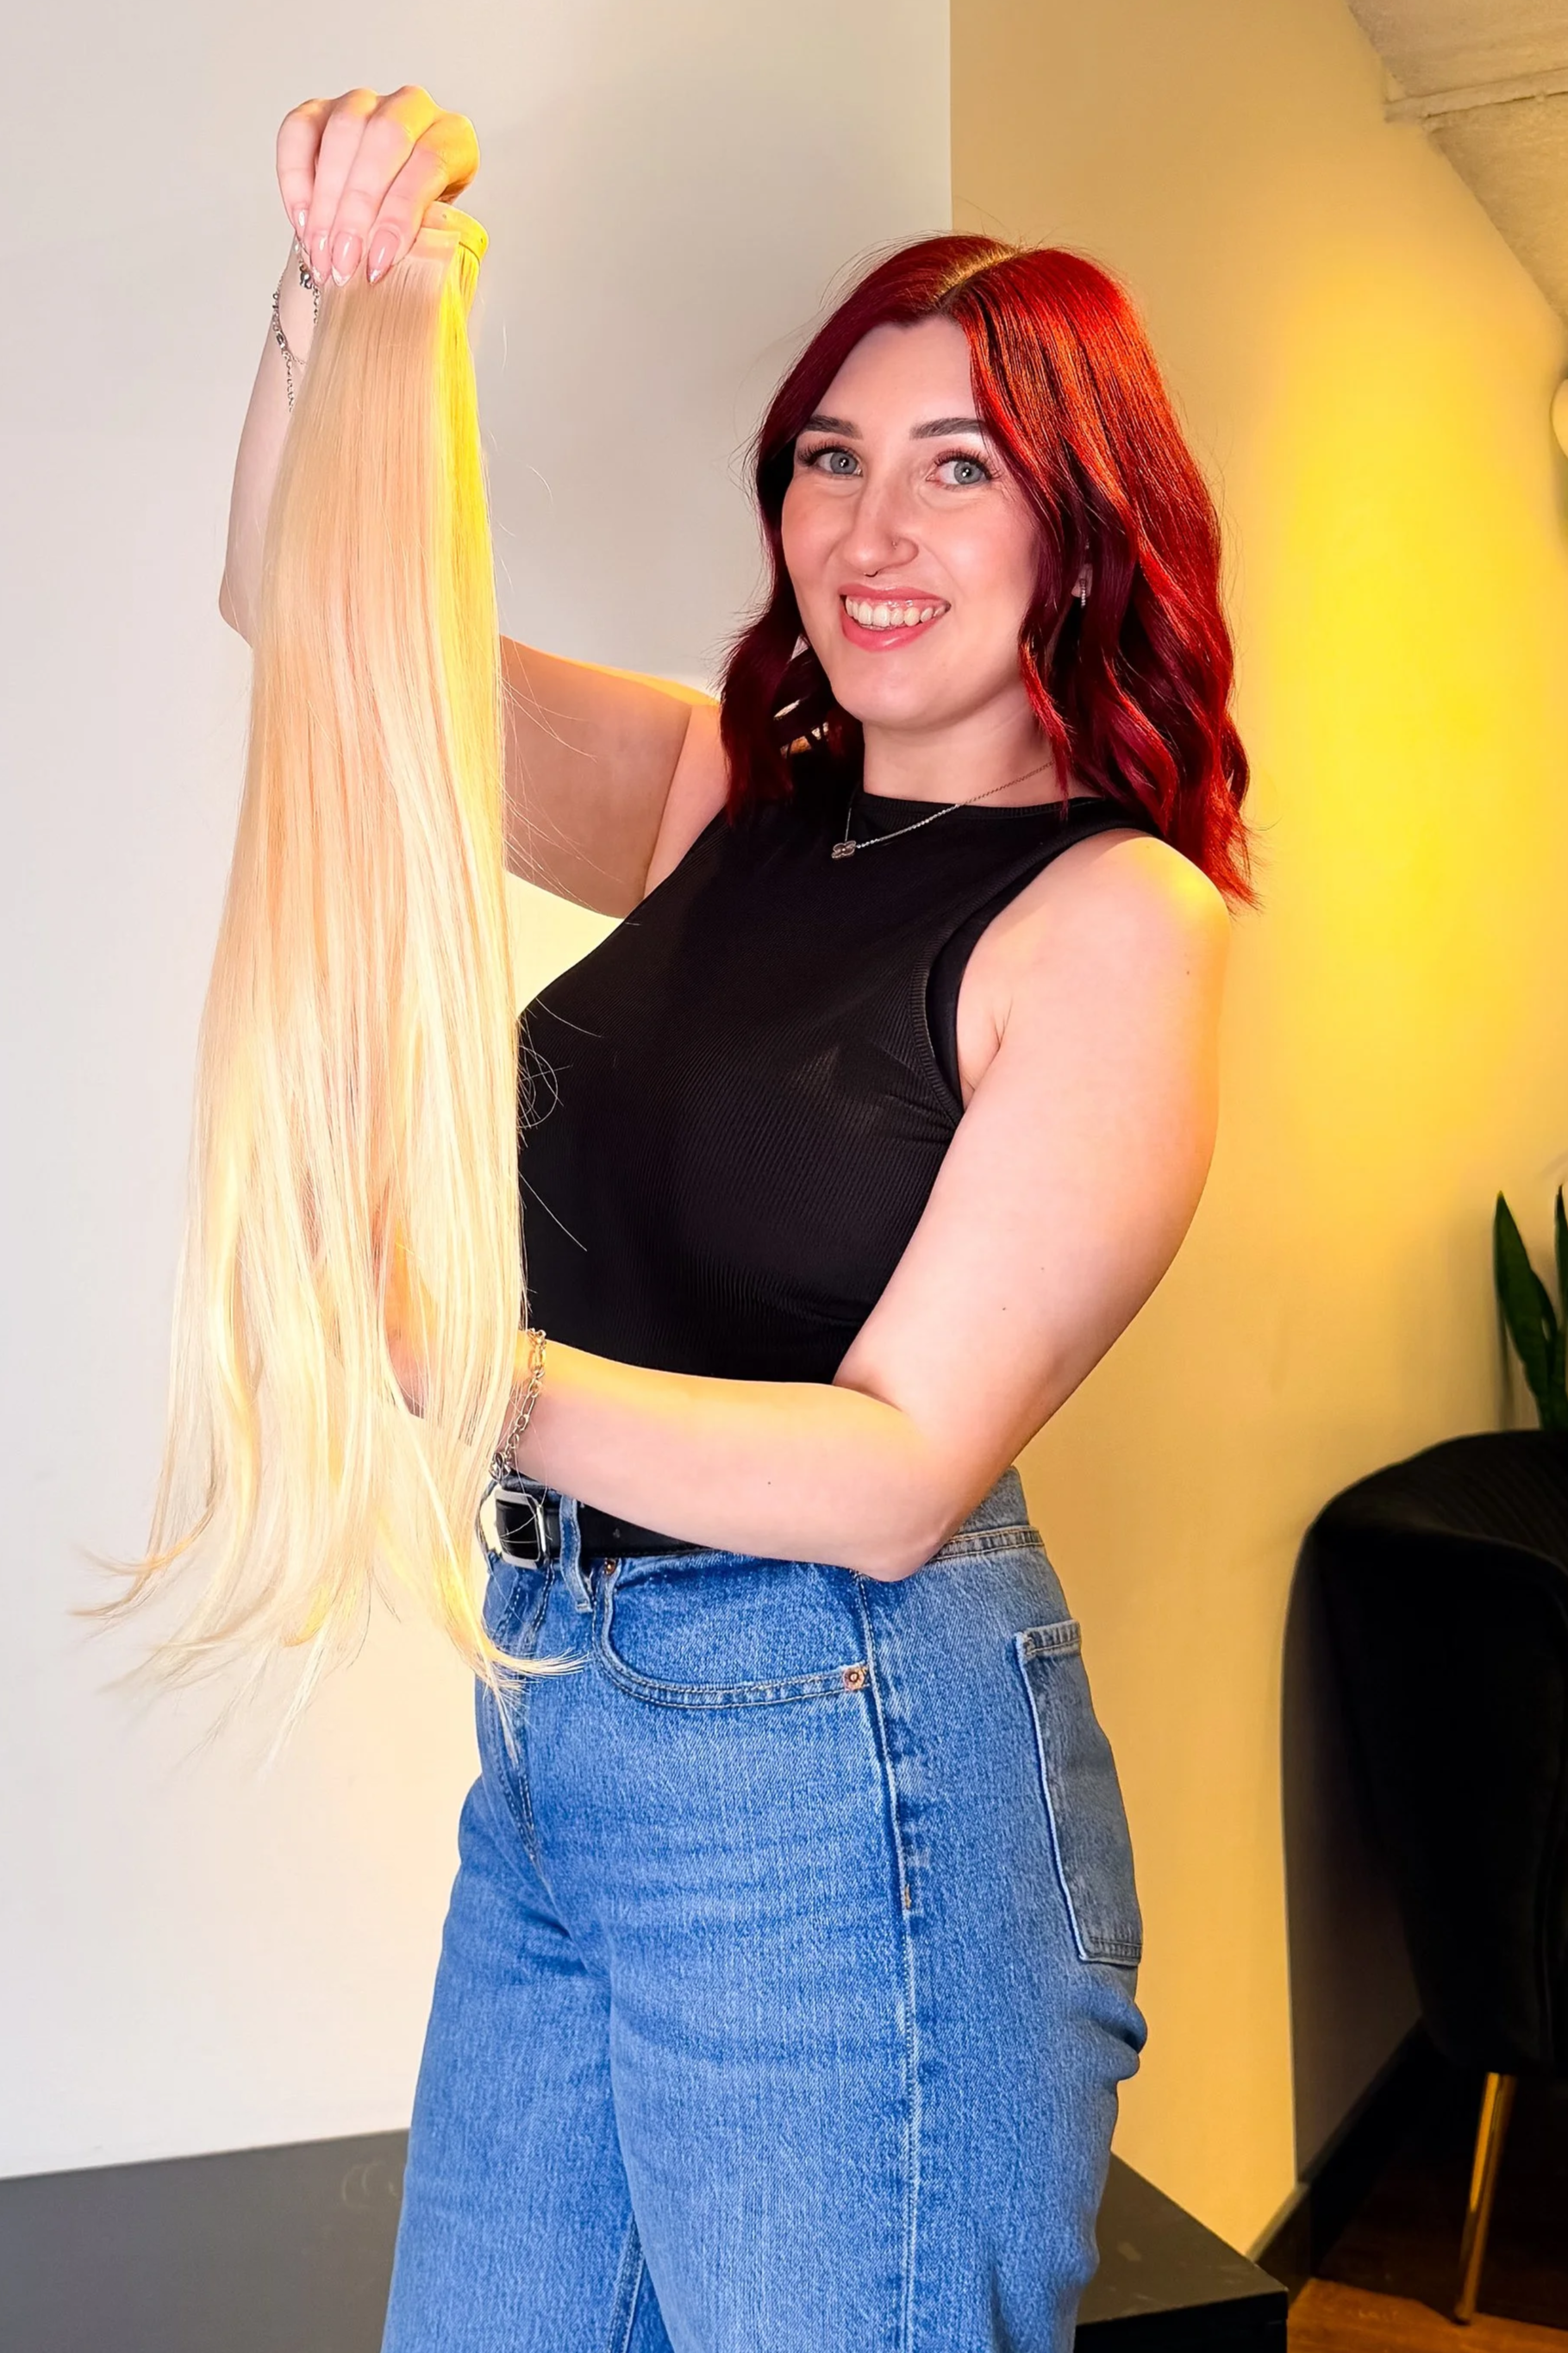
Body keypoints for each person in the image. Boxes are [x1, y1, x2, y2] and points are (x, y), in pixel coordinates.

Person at [224, 83, 1246, 2353]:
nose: (874, 527)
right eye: (831, 458)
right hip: (562, 1735)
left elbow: (896, 1471)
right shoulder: (722, 796)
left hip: (847, 1769)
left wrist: (474, 1368)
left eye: (959, 465)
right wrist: (345, 305)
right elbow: (313, 641)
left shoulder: (1115, 926)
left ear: (1089, 524)